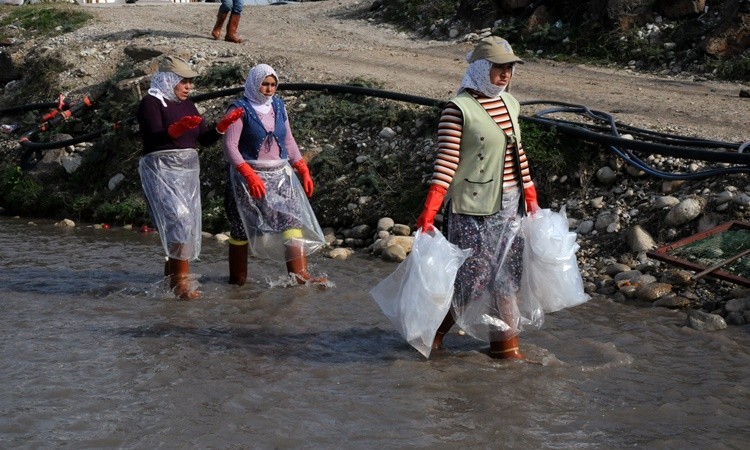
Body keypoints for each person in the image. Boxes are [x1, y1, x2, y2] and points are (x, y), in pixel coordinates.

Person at [415, 36, 540, 359]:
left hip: (510, 206)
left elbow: (518, 154)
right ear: (482, 68)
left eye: (509, 69)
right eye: (499, 68)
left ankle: (507, 349)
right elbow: (445, 165)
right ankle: (434, 333)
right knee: (473, 278)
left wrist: (531, 195)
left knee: (507, 279)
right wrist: (429, 212)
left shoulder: (510, 104)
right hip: (472, 208)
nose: (505, 75)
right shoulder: (457, 111)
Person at [137, 55, 244, 299]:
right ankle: (182, 285)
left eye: (190, 82)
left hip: (186, 171)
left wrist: (222, 126)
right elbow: (153, 136)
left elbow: (203, 139)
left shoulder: (188, 104)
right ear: (168, 79)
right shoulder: (150, 103)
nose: (188, 87)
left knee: (184, 223)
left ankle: (171, 283)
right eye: (183, 82)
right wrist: (176, 129)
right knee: (180, 220)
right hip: (161, 169)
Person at [222, 63, 326, 286]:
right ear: (254, 84)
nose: (269, 89)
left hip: (279, 176)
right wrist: (249, 175)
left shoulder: (278, 107)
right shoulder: (238, 109)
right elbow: (230, 146)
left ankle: (300, 276)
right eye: (264, 85)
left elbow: (288, 140)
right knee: (241, 227)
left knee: (291, 221)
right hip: (246, 180)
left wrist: (302, 168)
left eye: (273, 85)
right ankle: (237, 281)